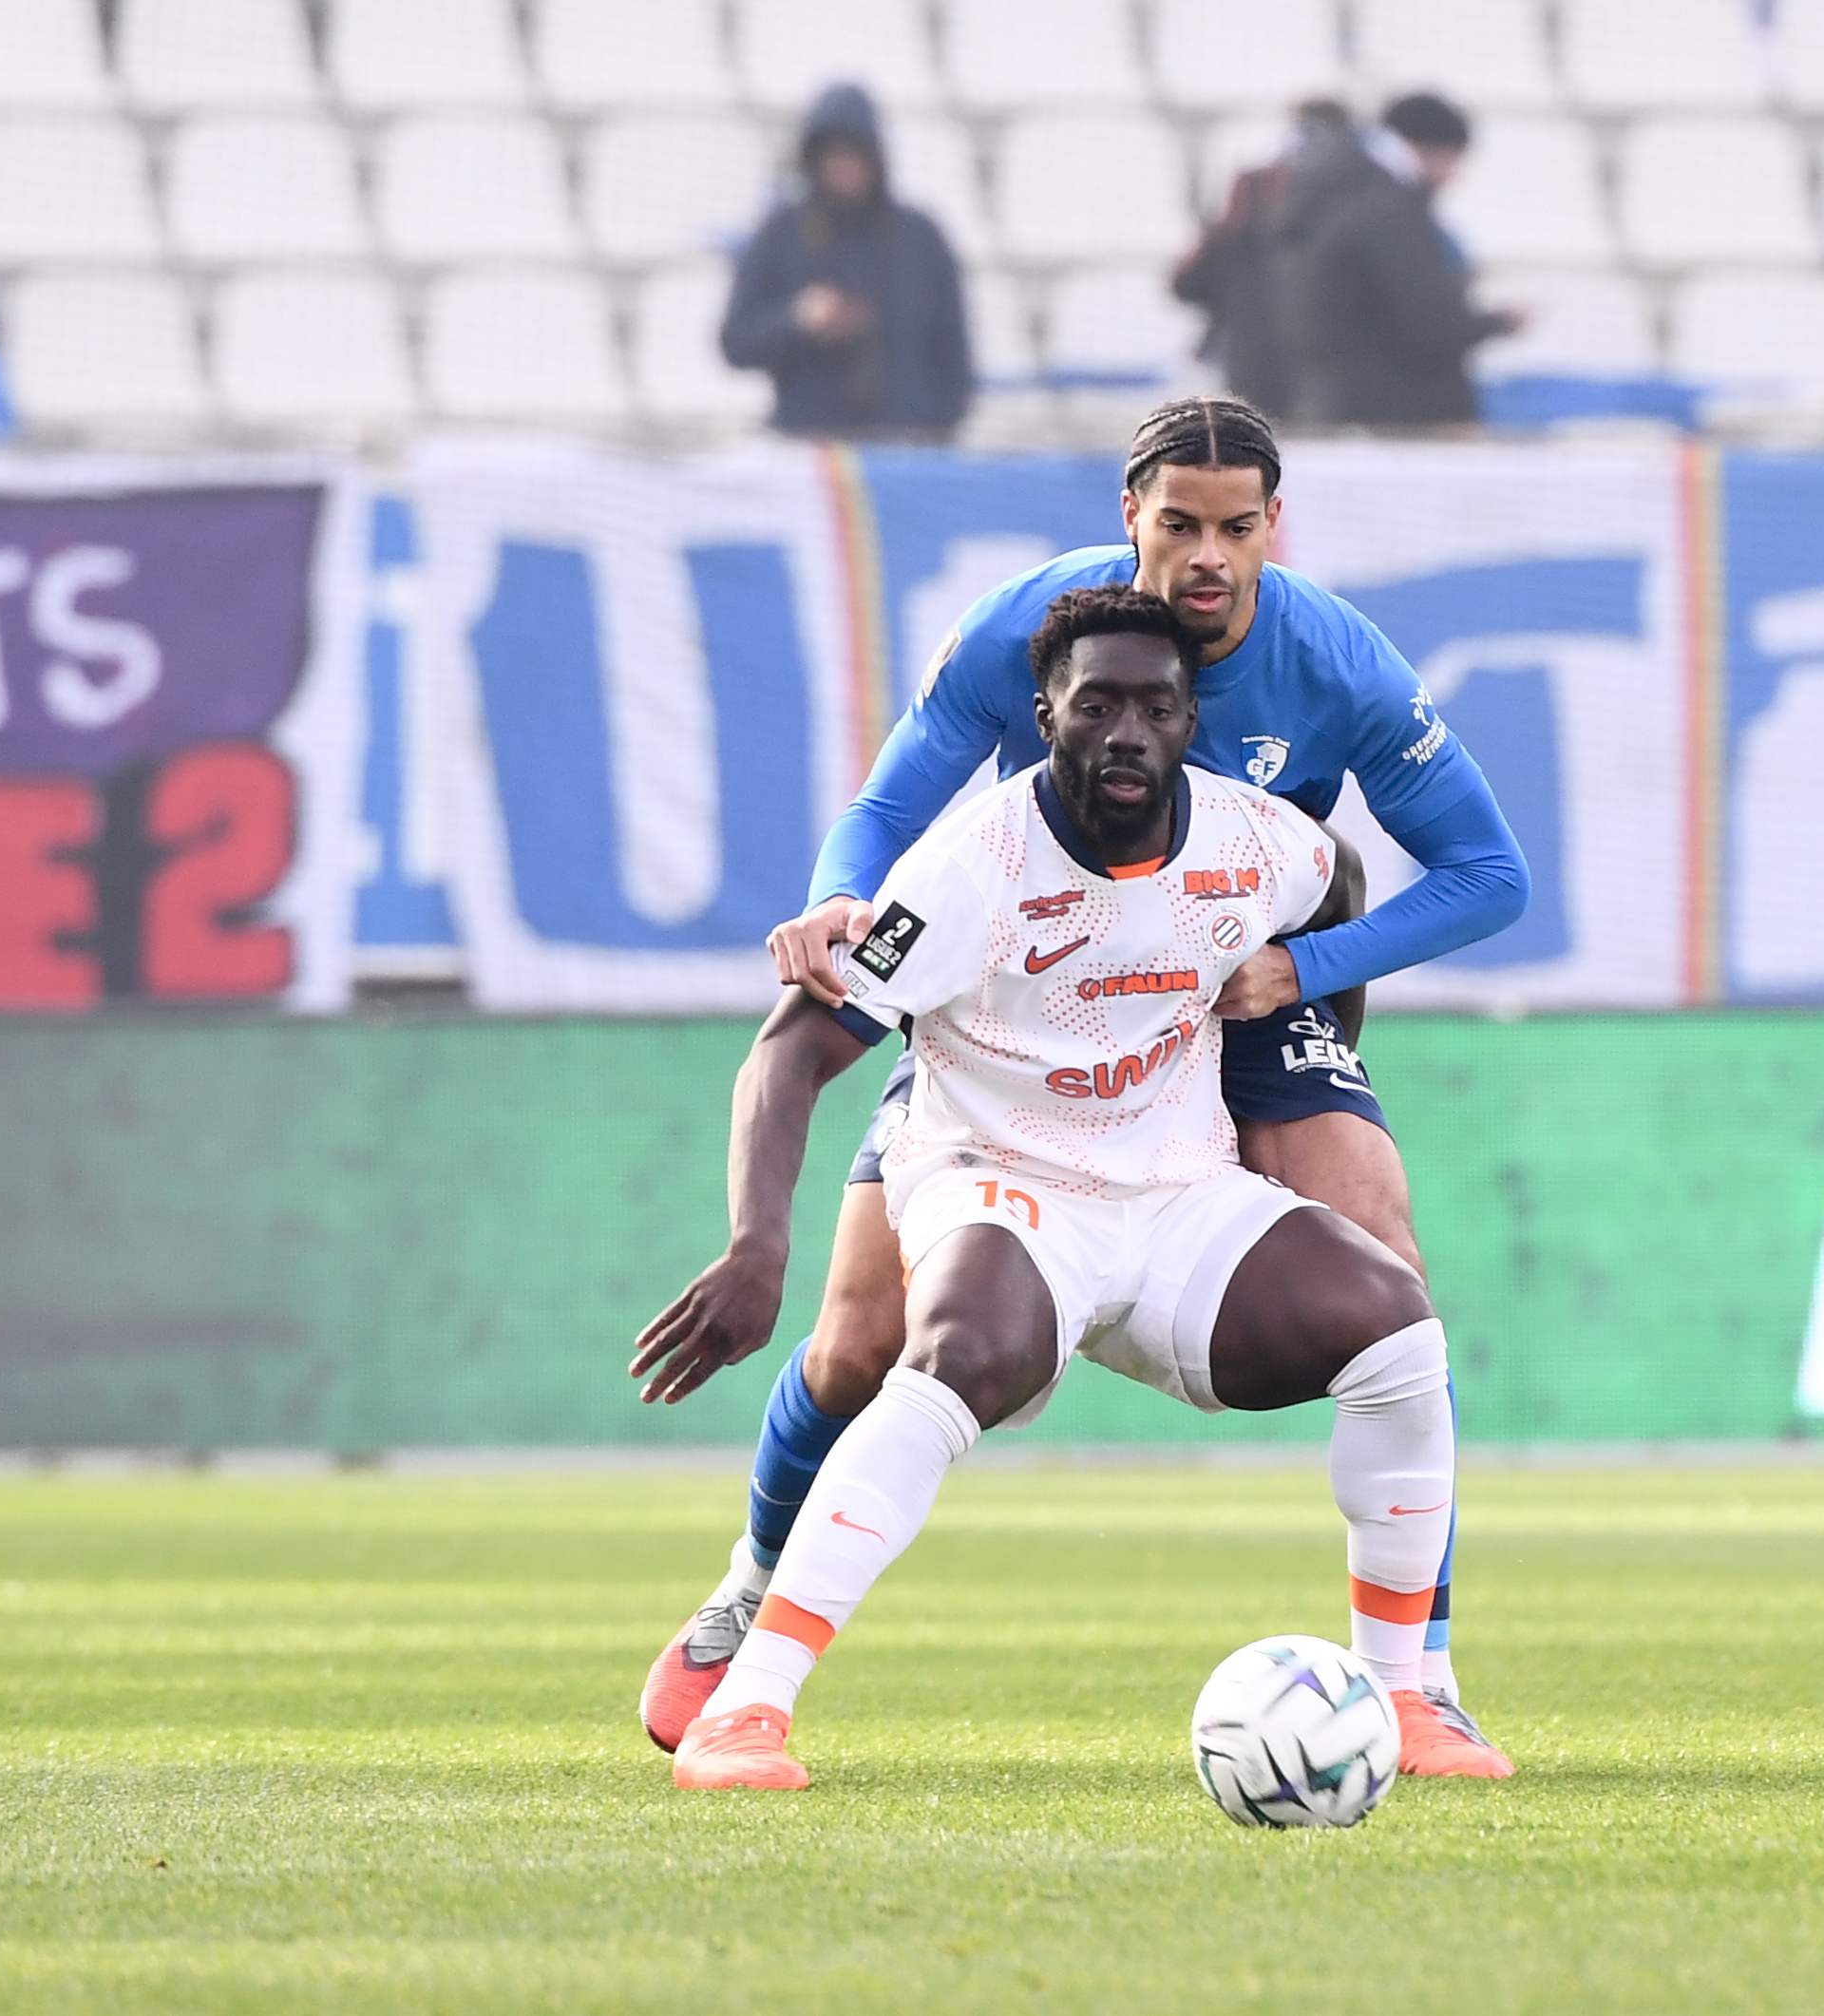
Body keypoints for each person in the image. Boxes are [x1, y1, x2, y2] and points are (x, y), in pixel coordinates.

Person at [627, 395, 1528, 1773]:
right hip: (1012, 1009)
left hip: (1225, 987)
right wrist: (838, 909)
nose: (1207, 556)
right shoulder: (1017, 667)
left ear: (1273, 527)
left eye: (1236, 527)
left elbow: (1471, 874)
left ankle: (1420, 1680)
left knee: (1385, 1276)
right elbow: (885, 807)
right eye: (1179, 525)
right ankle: (750, 1601)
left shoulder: (1335, 669)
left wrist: (1312, 980)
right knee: (863, 1344)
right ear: (1130, 519)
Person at [720, 83, 973, 440]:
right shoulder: (781, 236)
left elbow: (954, 356)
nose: (844, 166)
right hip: (812, 457)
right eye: (832, 153)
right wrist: (796, 319)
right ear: (813, 159)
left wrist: (931, 432)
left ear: (875, 157)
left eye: (854, 152)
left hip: (905, 455)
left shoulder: (920, 239)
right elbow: (735, 341)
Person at [1271, 92, 1520, 429]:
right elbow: (1428, 323)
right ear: (1435, 149)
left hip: (1333, 403)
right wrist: (1497, 322)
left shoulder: (1334, 191)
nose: (1455, 177)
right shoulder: (1387, 211)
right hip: (1394, 416)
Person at [1170, 100, 1353, 417]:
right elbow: (1188, 284)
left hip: (1261, 370)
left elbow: (1188, 283)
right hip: (1301, 374)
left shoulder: (1250, 198)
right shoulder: (1351, 199)